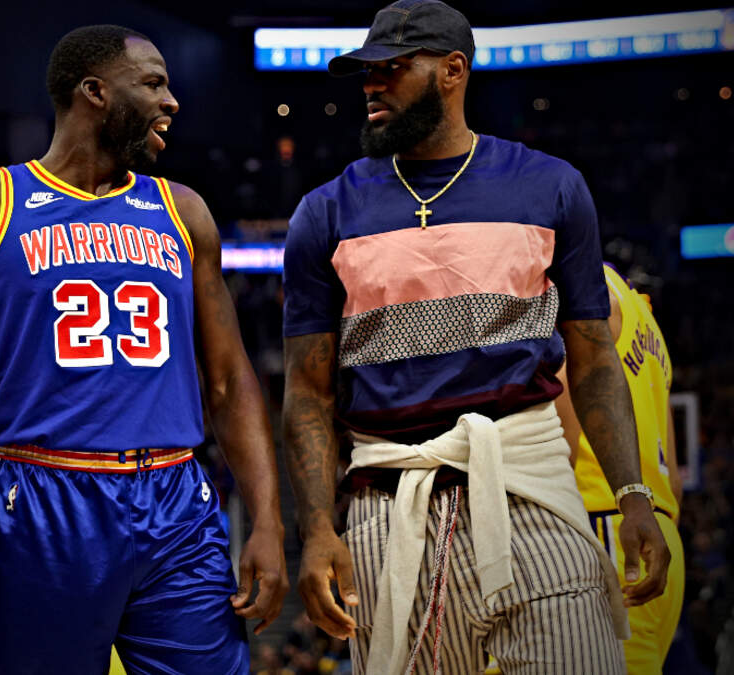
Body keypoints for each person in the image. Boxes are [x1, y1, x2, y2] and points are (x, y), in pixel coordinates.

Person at [280, 1, 671, 673]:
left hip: (533, 485)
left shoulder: (552, 186)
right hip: (390, 503)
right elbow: (308, 393)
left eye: (392, 70)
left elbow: (595, 357)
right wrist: (317, 526)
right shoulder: (324, 212)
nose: (372, 86)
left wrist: (632, 492)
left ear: (452, 71)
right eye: (366, 73)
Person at [0, 25, 286, 674]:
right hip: (45, 494)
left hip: (176, 494)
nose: (173, 100)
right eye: (153, 83)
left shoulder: (185, 212)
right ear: (94, 93)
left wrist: (266, 519)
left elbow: (229, 380)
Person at [556, 263, 686, 675]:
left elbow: (560, 444)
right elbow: (676, 481)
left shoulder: (572, 287)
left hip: (605, 533)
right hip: (658, 534)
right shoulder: (642, 313)